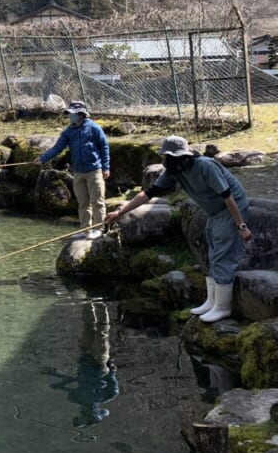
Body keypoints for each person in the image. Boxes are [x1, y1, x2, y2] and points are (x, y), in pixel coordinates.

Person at [105, 135, 253, 323]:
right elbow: (148, 194)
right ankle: (211, 301)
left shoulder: (205, 166)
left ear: (180, 157)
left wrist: (241, 226)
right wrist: (120, 212)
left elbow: (228, 196)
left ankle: (223, 308)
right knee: (211, 252)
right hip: (214, 213)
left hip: (231, 208)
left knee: (223, 254)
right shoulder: (174, 171)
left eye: (166, 156)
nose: (163, 160)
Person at [34, 101, 110, 239]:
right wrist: (43, 158)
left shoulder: (94, 128)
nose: (70, 117)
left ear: (81, 114)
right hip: (78, 172)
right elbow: (57, 148)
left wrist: (106, 167)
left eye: (73, 114)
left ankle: (99, 229)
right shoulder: (69, 132)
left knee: (97, 201)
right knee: (83, 202)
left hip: (94, 170)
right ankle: (85, 230)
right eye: (69, 114)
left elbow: (104, 147)